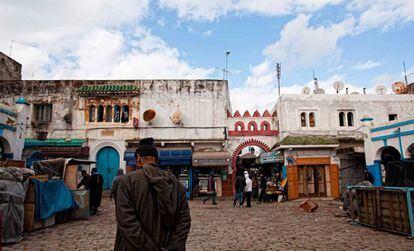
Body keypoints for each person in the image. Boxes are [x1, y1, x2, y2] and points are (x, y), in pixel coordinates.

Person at [114, 138, 191, 251]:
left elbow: (126, 222)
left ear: (138, 158)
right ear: (157, 159)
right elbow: (184, 221)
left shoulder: (126, 182)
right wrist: (172, 247)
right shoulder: (176, 184)